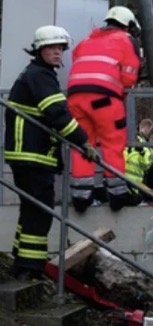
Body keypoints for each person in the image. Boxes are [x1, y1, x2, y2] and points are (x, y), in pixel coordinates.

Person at [4, 26, 100, 280]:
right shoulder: (41, 76)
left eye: (61, 48)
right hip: (33, 155)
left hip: (28, 155)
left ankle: (22, 262)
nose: (58, 52)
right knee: (40, 212)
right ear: (39, 49)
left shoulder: (36, 74)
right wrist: (83, 142)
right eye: (52, 47)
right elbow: (58, 114)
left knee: (31, 210)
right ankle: (31, 268)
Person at [66, 5, 141, 213]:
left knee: (82, 145)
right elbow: (128, 76)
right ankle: (118, 195)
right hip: (105, 99)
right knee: (112, 142)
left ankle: (81, 197)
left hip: (75, 97)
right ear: (127, 25)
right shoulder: (126, 40)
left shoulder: (85, 41)